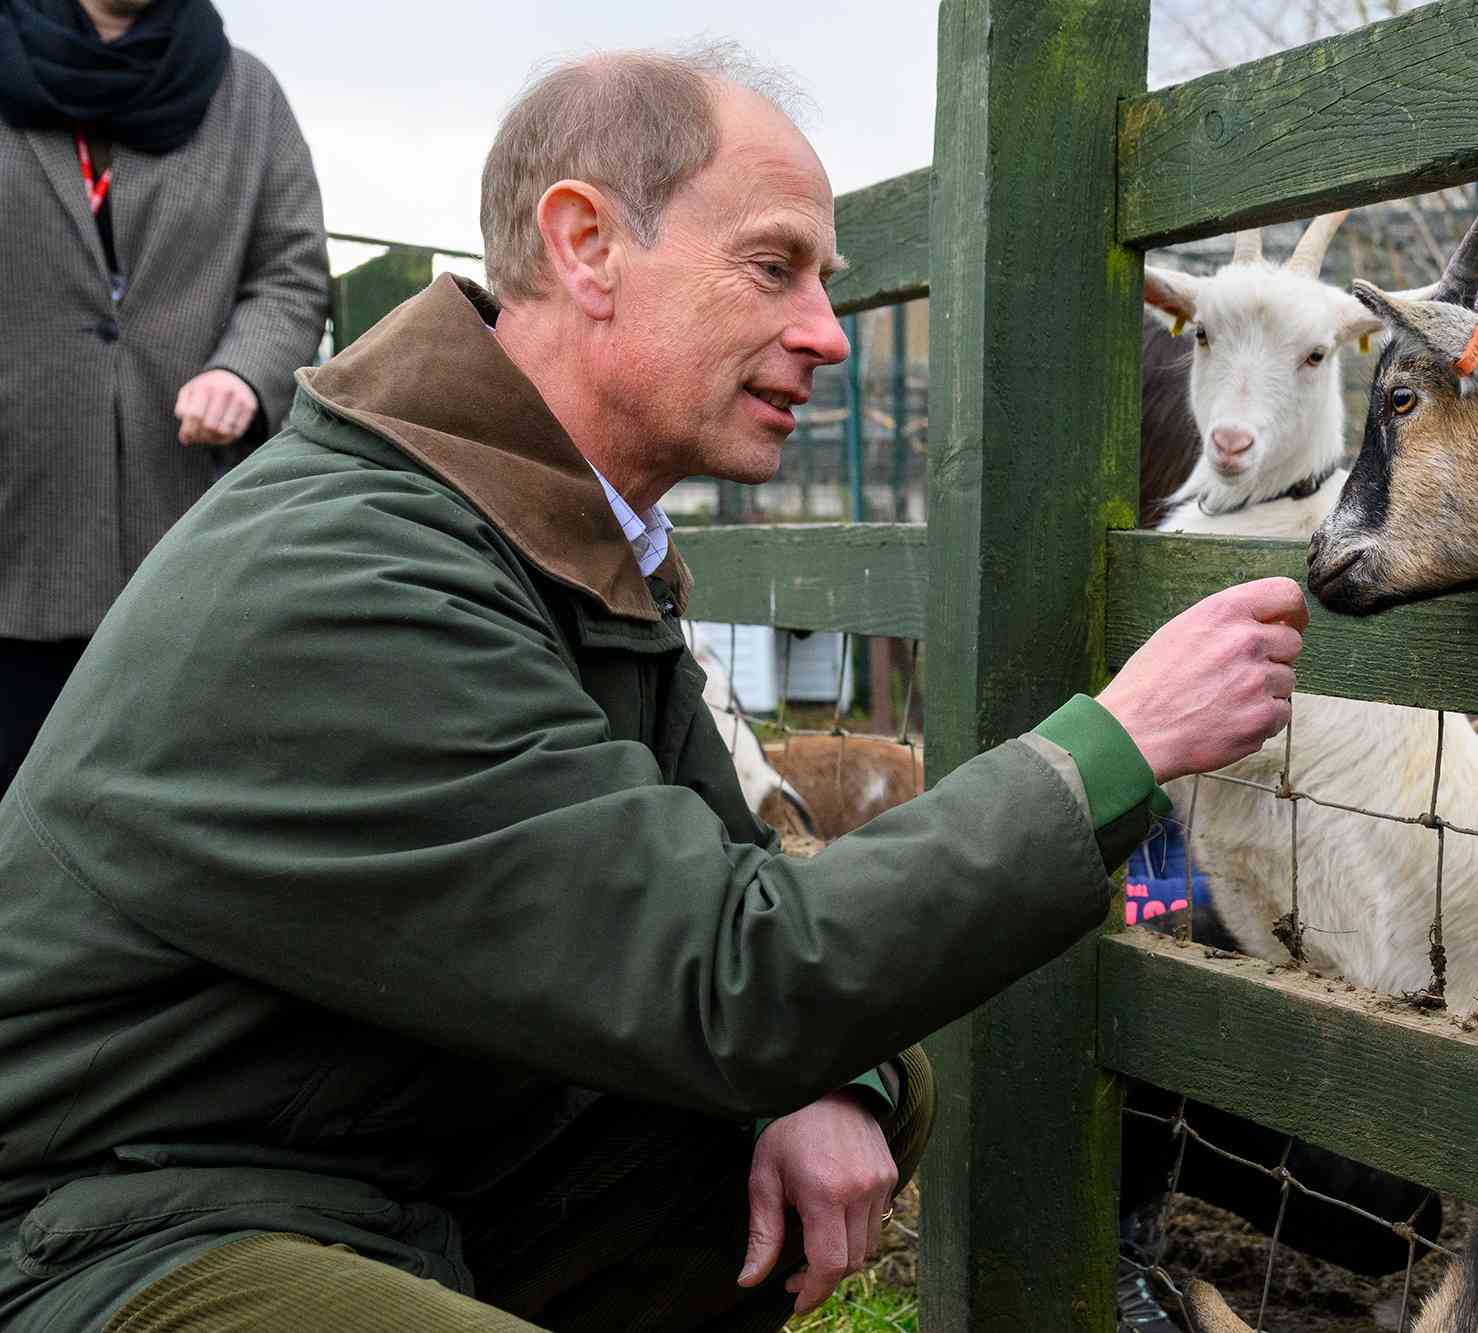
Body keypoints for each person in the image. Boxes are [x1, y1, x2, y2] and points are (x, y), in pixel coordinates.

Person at [0, 46, 1307, 1333]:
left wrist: (822, 1079)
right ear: (585, 247)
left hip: (368, 1154)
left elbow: (736, 888)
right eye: (772, 267)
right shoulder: (360, 574)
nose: (825, 335)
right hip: (114, 1224)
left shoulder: (557, 539)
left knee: (863, 1081)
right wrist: (1113, 747)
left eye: (826, 281)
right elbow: (736, 969)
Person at [0, 0, 329, 794]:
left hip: (183, 543)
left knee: (160, 813)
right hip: (17, 526)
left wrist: (244, 373)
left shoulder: (246, 93)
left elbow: (290, 272)